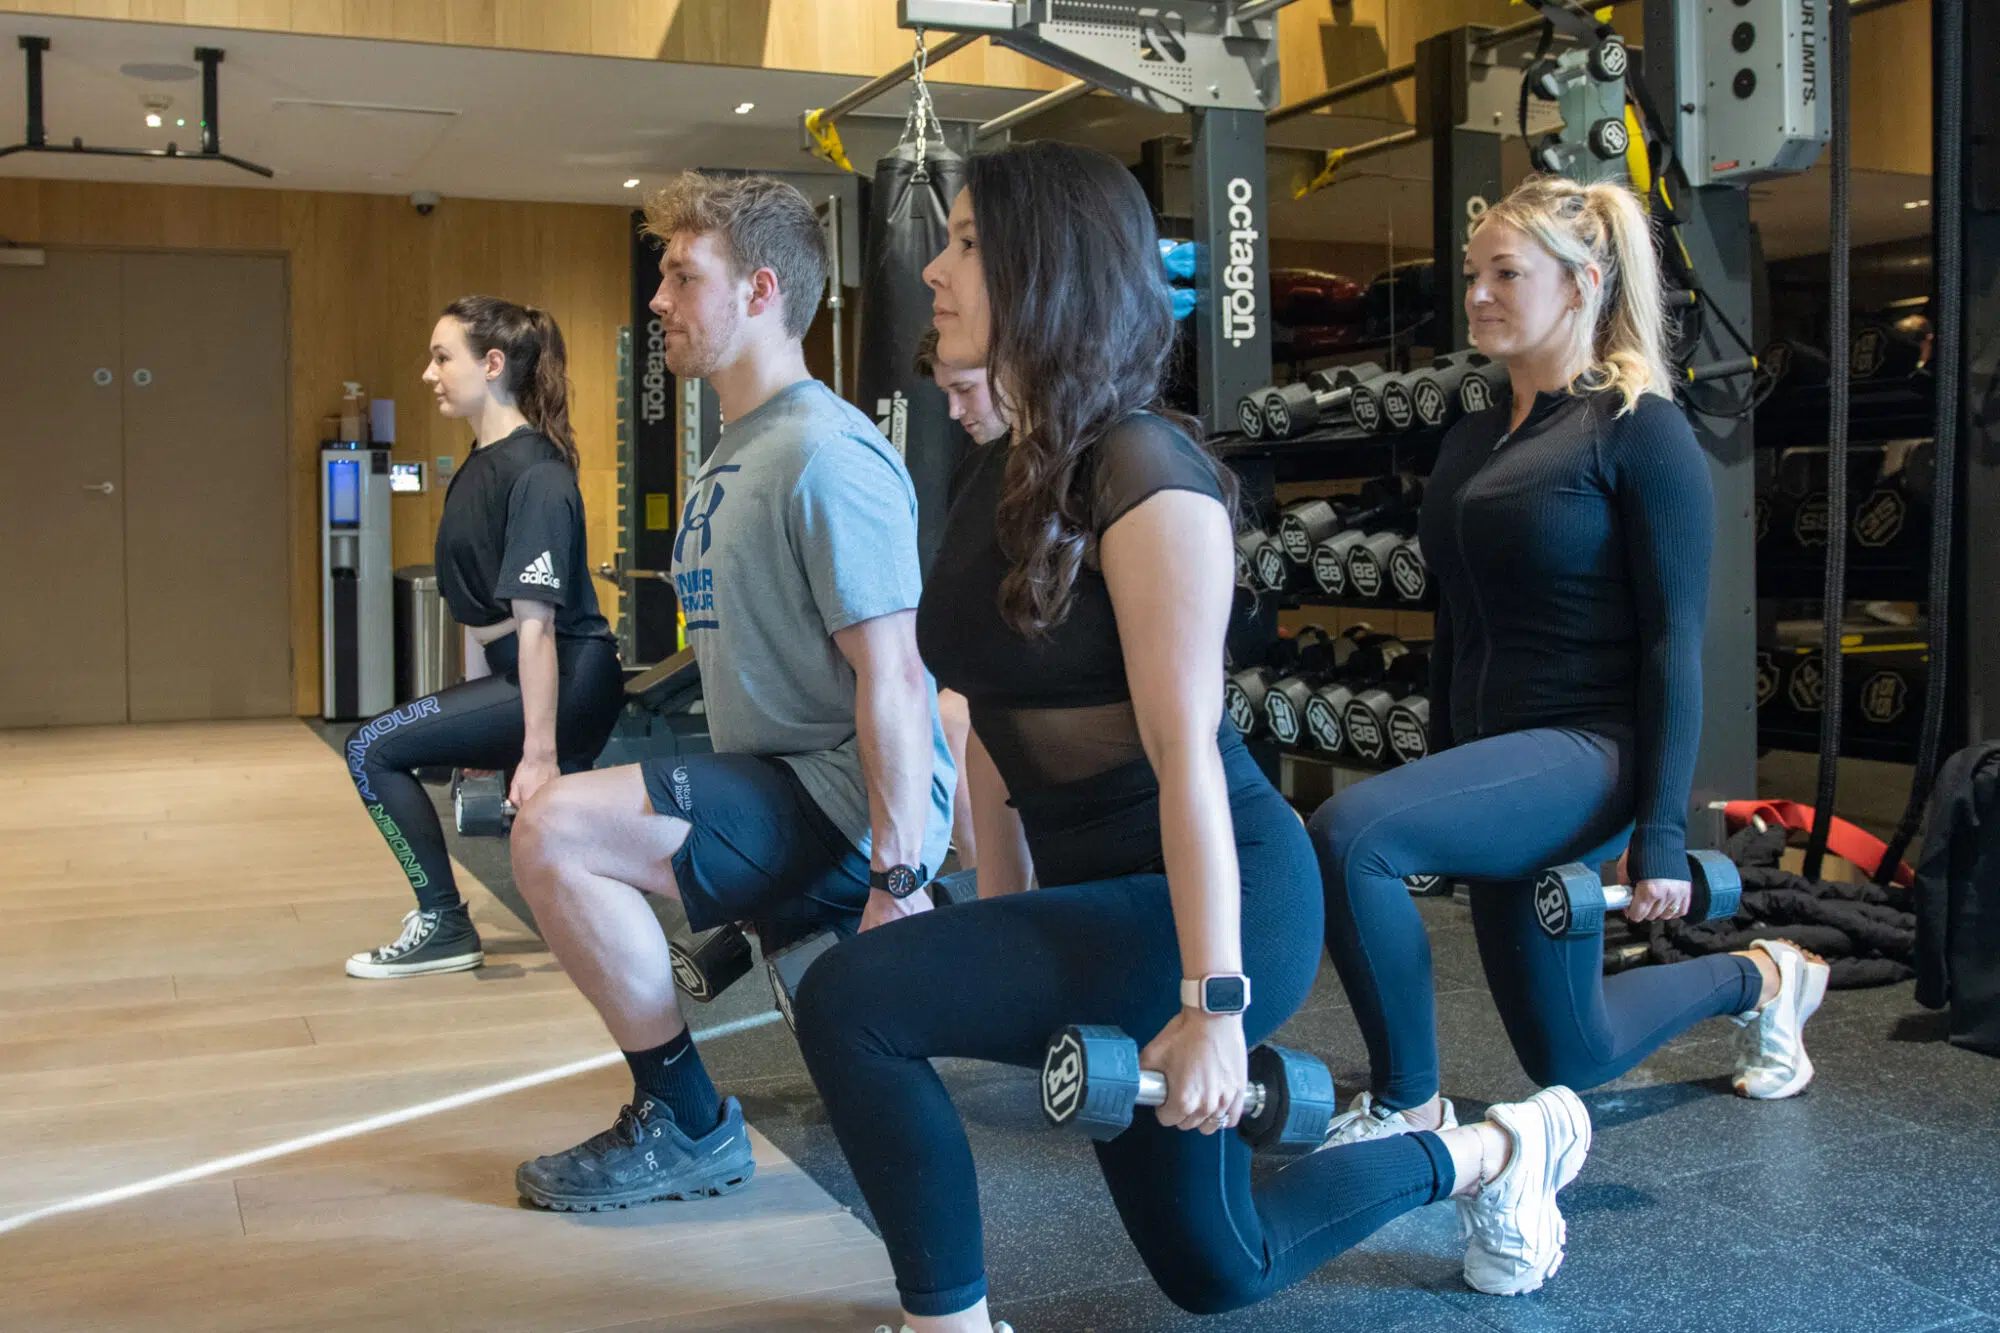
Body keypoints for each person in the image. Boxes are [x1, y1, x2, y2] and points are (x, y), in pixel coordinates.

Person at [792, 141, 1594, 1333]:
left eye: (964, 244)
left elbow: (1186, 758)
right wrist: (995, 912)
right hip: (1100, 897)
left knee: (853, 1000)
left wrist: (1212, 1002)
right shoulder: (1005, 468)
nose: (933, 271)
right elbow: (993, 725)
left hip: (1215, 905)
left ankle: (947, 1321)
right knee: (1219, 1266)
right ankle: (1493, 1152)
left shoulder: (1145, 474)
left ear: (1044, 268)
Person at [1308, 175, 1831, 1156]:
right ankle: (1768, 977)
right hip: (1502, 761)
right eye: (1472, 274)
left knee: (1348, 834)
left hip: (1591, 750)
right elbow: (1456, 617)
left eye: (1505, 273)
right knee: (1574, 1050)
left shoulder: (1641, 428)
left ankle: (1410, 1107)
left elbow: (1673, 641)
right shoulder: (1474, 435)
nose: (1476, 295)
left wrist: (1661, 830)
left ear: (1583, 282)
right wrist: (1446, 762)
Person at [505, 172, 957, 1212]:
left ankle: (687, 1121)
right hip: (779, 780)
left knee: (553, 828)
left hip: (838, 802)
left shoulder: (824, 453)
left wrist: (897, 877)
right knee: (565, 826)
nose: (658, 298)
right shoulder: (735, 449)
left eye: (682, 276)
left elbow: (894, 673)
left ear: (759, 291)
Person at [342, 296, 623, 980]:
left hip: (566, 675)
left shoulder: (537, 473)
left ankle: (443, 921)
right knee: (557, 861)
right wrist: (475, 723)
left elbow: (537, 625)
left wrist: (538, 751)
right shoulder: (480, 462)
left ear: (493, 364)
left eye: (443, 358)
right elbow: (481, 614)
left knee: (371, 747)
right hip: (522, 671)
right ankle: (605, 938)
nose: (428, 374)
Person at [913, 325, 1017, 878]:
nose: (954, 412)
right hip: (995, 691)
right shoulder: (980, 471)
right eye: (946, 395)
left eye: (965, 390)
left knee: (953, 717)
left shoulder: (1076, 467)